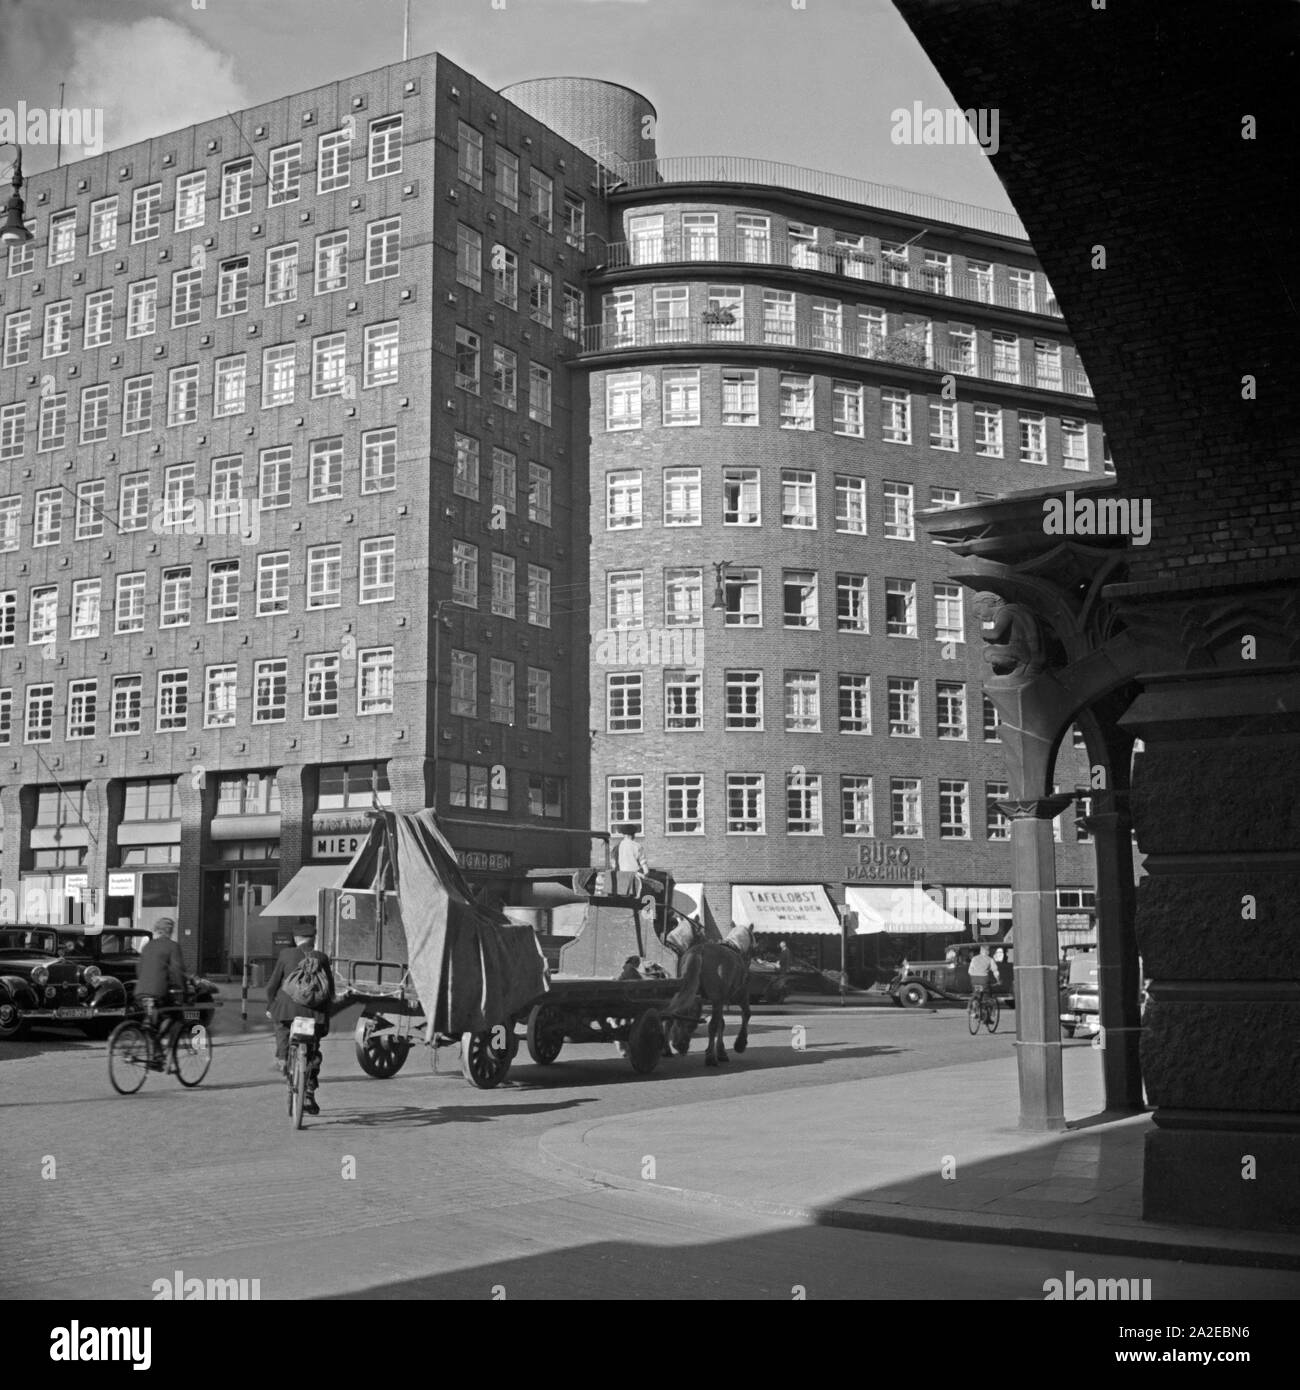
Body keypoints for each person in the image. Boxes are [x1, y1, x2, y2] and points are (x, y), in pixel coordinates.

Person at [265, 921, 335, 1115]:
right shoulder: (322, 958)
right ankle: (309, 1090)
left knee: (281, 1026)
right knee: (314, 1049)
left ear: (296, 939)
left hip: (287, 1011)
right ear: (314, 940)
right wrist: (325, 1015)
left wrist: (270, 1006)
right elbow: (331, 992)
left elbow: (271, 986)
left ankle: (282, 1058)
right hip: (315, 1014)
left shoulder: (286, 954)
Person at [135, 917, 187, 1070]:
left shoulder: (148, 946)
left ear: (157, 930)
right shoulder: (172, 946)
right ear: (170, 931)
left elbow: (139, 969)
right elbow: (177, 971)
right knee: (175, 1015)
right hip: (157, 991)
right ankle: (164, 1056)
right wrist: (183, 989)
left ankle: (157, 1056)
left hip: (141, 992)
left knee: (151, 1024)